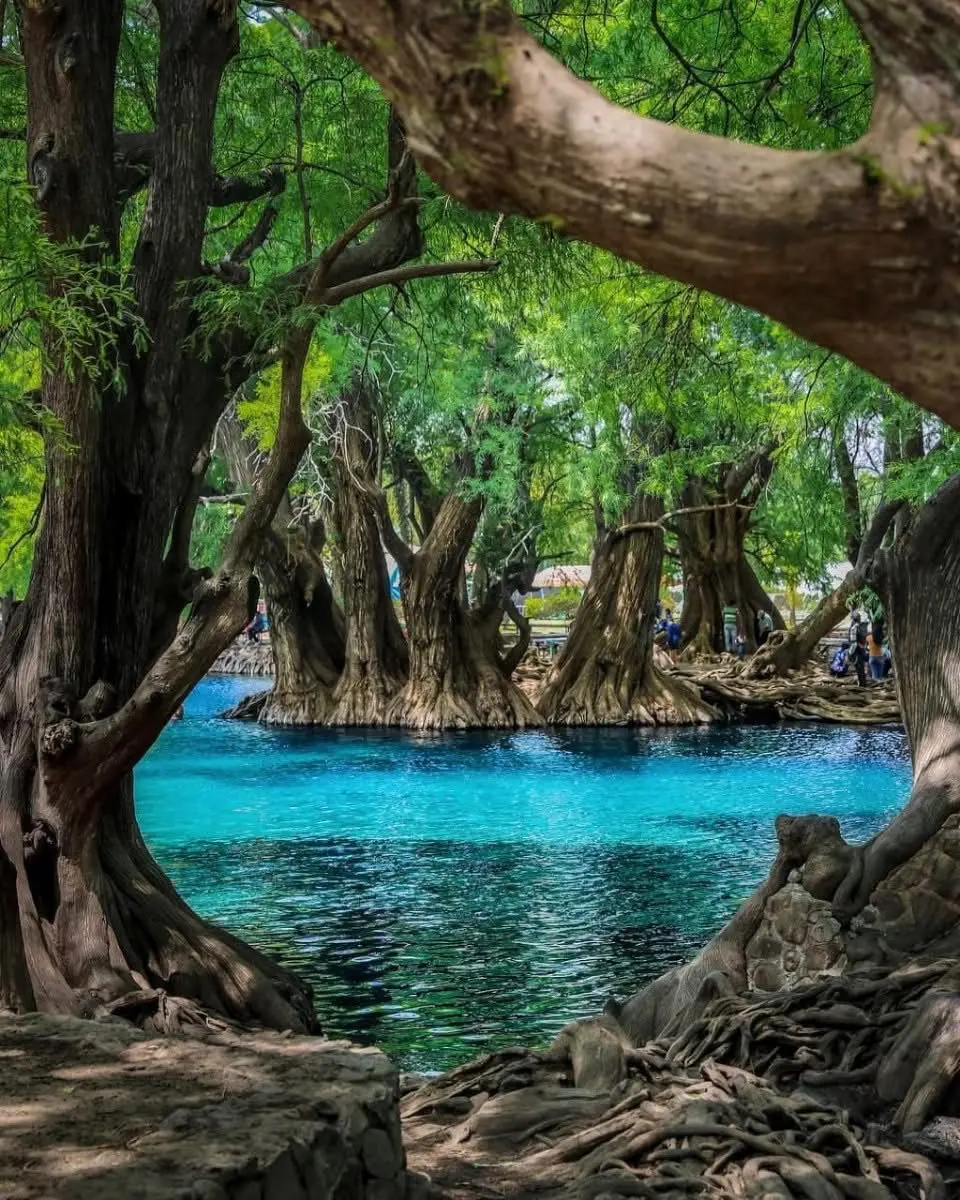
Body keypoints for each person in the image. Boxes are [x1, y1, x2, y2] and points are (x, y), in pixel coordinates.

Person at [849, 615, 869, 688]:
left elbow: (854, 642)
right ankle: (863, 683)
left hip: (857, 650)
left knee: (859, 668)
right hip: (862, 649)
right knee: (862, 668)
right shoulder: (863, 627)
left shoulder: (854, 628)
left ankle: (861, 684)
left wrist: (851, 653)